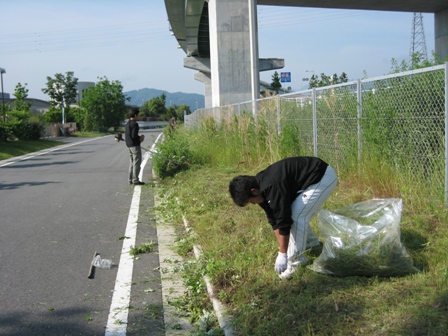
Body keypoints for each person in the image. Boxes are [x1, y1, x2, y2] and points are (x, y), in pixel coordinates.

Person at [229, 156, 337, 279]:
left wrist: (283, 253)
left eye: (250, 201)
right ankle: (312, 244)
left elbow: (284, 221)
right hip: (311, 177)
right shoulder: (260, 188)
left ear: (253, 191)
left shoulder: (272, 186)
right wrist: (282, 248)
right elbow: (274, 219)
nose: (253, 203)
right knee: (297, 213)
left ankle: (295, 263)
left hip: (322, 177)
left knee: (297, 216)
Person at [125, 107, 145, 185]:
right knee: (136, 163)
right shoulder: (135, 124)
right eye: (138, 115)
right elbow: (134, 136)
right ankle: (136, 180)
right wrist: (140, 138)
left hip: (129, 145)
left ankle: (130, 179)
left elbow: (129, 135)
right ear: (135, 115)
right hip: (135, 146)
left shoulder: (127, 123)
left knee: (132, 163)